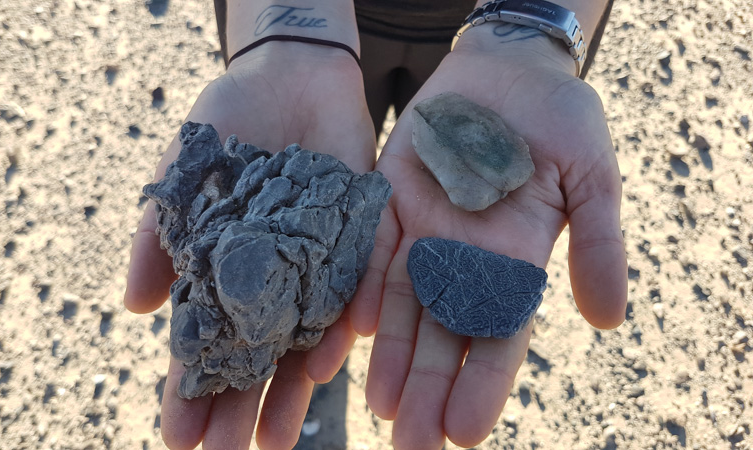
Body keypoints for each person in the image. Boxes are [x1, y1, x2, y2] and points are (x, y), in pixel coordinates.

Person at [123, 1, 628, 449]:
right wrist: (290, 29)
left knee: (372, 253)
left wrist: (530, 22)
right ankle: (311, 351)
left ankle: (312, 345)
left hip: (498, 25)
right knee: (349, 293)